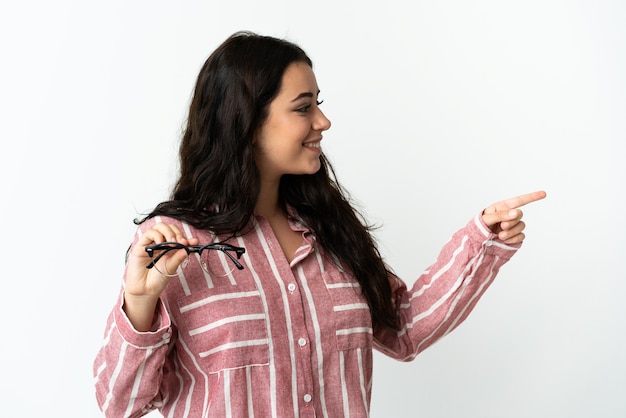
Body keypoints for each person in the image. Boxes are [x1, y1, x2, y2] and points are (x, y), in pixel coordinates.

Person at [93, 30, 546, 418]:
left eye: (319, 104)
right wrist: (139, 305)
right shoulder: (176, 244)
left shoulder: (330, 233)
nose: (323, 121)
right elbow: (119, 404)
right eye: (303, 107)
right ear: (247, 122)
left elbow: (403, 329)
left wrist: (482, 239)